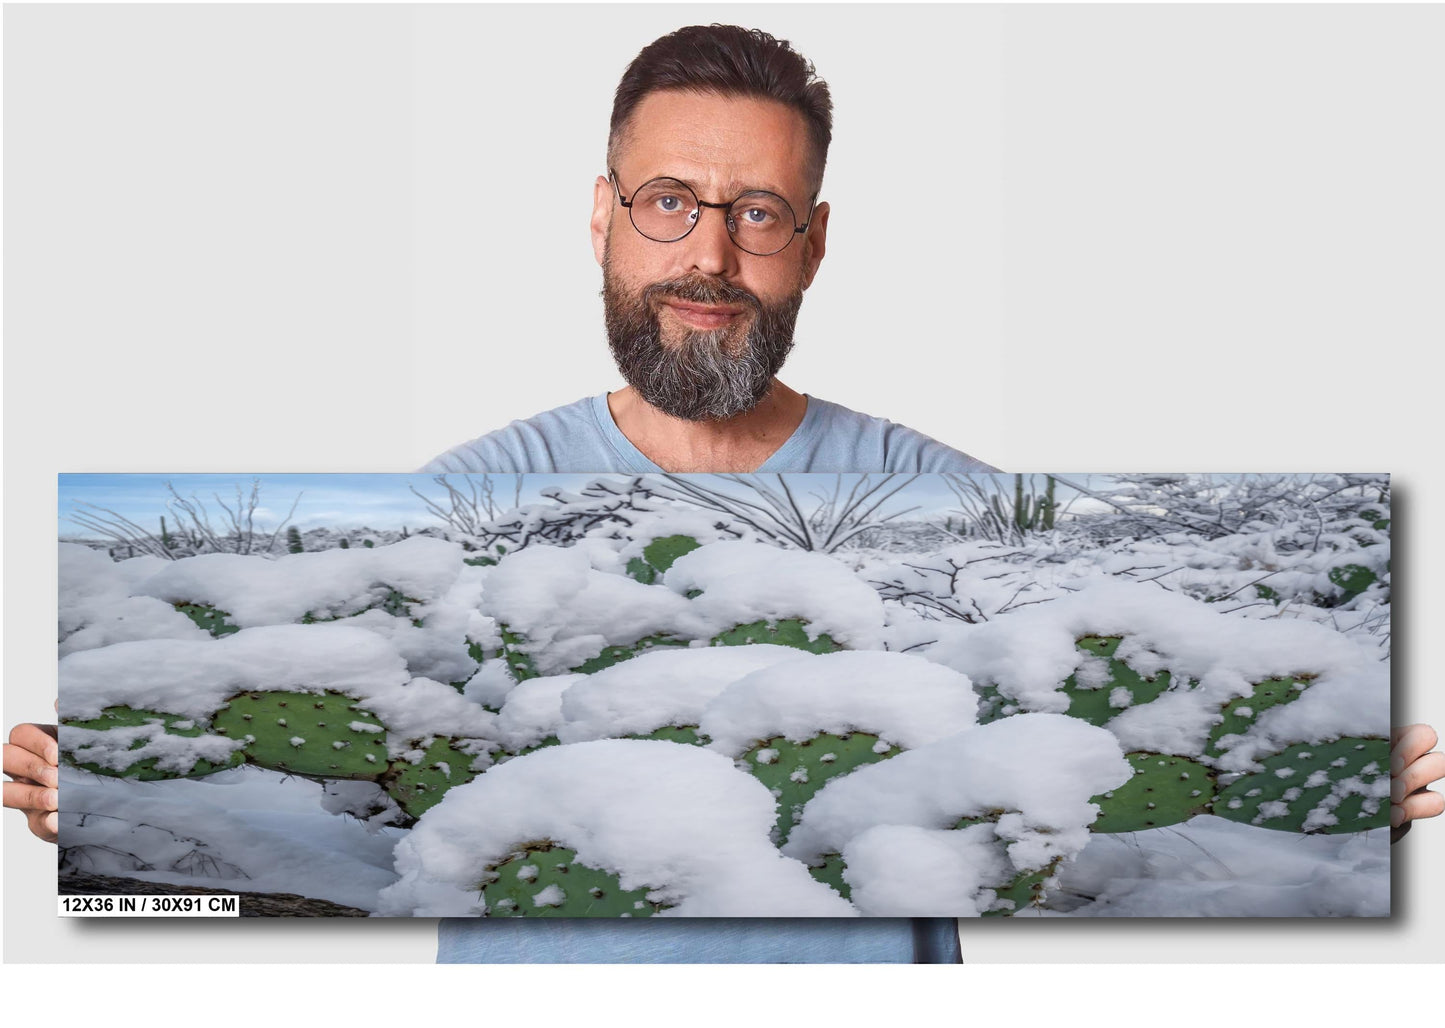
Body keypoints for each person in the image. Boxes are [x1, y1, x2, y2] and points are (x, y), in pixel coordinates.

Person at [9, 23, 1443, 963]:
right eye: (668, 201)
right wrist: (107, 780)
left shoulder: (958, 504)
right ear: (602, 214)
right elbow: (356, 805)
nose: (710, 253)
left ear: (810, 243)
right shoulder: (453, 506)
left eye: (756, 212)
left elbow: (1068, 802)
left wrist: (1342, 784)